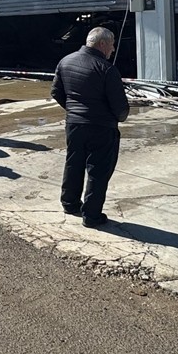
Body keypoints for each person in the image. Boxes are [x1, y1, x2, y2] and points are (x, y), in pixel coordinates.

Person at [52, 26, 130, 228]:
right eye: (111, 45)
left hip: (75, 124)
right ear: (102, 44)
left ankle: (69, 204)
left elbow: (56, 92)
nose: (113, 50)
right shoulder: (106, 69)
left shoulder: (65, 61)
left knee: (73, 163)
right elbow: (120, 107)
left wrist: (74, 110)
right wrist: (117, 118)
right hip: (101, 128)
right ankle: (92, 215)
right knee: (98, 171)